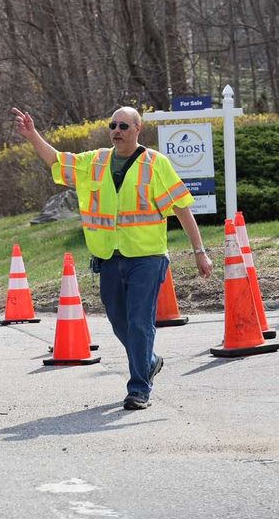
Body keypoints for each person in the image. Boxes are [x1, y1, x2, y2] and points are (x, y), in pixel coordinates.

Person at [12, 105, 213, 410]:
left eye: (124, 126)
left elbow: (181, 207)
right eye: (113, 125)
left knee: (139, 322)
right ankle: (148, 360)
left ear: (137, 129)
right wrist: (32, 135)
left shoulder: (154, 163)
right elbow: (56, 160)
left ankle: (138, 388)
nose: (117, 131)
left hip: (147, 256)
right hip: (108, 257)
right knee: (119, 320)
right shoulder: (95, 161)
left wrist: (200, 252)